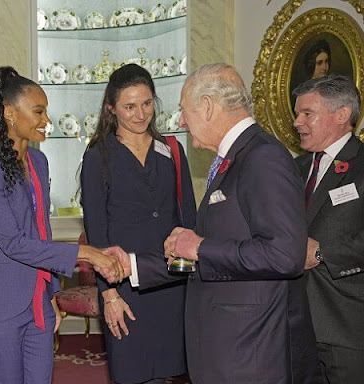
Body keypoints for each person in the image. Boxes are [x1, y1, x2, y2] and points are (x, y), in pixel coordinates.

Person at [0, 66, 125, 384]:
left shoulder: (38, 162)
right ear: (9, 114)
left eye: (46, 112)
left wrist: (51, 297)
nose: (47, 121)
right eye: (38, 112)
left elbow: (42, 233)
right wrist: (87, 253)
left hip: (37, 301)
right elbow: (14, 243)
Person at [154, 63, 318, 383]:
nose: (181, 121)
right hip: (226, 345)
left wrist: (200, 247)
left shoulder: (262, 157)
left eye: (184, 110)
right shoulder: (235, 157)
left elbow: (285, 255)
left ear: (208, 106)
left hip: (249, 352)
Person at [80, 64, 196, 384]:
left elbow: (189, 221)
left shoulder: (172, 150)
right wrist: (109, 295)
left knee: (170, 373)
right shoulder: (98, 156)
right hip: (124, 285)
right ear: (111, 109)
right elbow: (97, 234)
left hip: (171, 279)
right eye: (129, 106)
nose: (140, 113)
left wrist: (193, 283)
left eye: (147, 103)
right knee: (133, 373)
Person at [293, 74, 364, 383]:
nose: (297, 122)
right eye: (297, 114)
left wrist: (323, 252)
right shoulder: (294, 169)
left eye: (307, 113)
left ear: (342, 115)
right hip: (294, 326)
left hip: (347, 327)